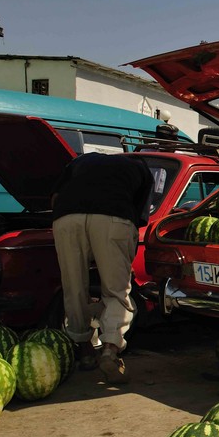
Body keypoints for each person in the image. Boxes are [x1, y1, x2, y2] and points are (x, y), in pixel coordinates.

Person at [51, 152, 154, 383]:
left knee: (74, 285)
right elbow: (138, 217)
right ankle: (110, 349)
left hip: (67, 217)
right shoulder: (141, 170)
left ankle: (85, 349)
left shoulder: (80, 161)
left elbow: (55, 198)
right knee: (116, 290)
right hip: (114, 216)